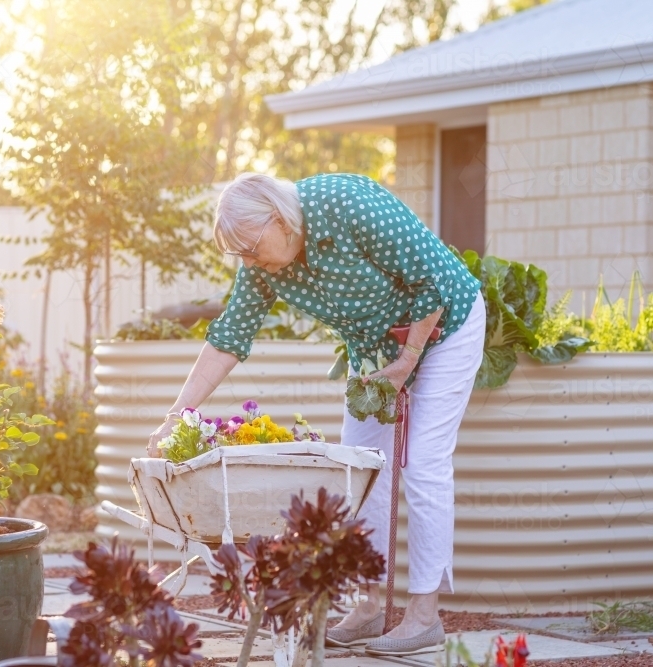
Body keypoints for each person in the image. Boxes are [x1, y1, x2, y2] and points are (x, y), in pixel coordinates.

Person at [147, 172, 486, 655]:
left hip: (446, 323)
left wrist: (409, 359)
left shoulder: (349, 206)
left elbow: (431, 280)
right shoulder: (264, 263)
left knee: (424, 464)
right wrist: (176, 416)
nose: (248, 260)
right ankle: (371, 604)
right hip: (374, 347)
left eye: (249, 246)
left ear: (279, 219)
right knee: (360, 468)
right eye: (238, 253)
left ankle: (424, 615)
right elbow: (229, 336)